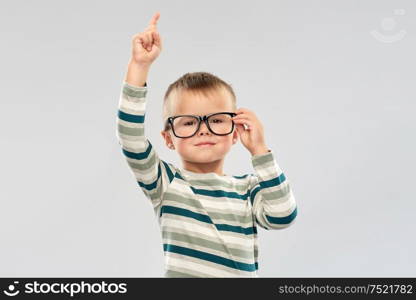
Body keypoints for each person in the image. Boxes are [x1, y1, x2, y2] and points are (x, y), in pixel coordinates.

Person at [116, 12, 298, 277]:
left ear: (235, 132)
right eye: (188, 123)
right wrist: (139, 66)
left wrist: (261, 152)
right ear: (168, 138)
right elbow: (130, 137)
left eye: (216, 120)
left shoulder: (248, 189)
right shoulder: (165, 182)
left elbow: (283, 216)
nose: (203, 130)